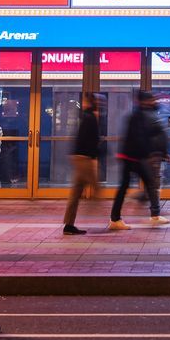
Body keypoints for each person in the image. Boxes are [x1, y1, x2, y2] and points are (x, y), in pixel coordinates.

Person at [109, 90, 170, 229]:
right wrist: (151, 153)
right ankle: (154, 215)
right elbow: (145, 137)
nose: (154, 101)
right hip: (137, 157)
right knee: (150, 184)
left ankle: (115, 219)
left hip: (128, 156)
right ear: (145, 101)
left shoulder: (135, 115)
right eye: (151, 100)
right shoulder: (144, 115)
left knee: (125, 187)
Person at [64, 91, 101, 235]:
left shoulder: (85, 116)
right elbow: (91, 140)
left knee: (76, 192)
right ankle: (107, 217)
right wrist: (95, 155)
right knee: (97, 189)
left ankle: (68, 225)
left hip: (79, 157)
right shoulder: (90, 117)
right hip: (84, 159)